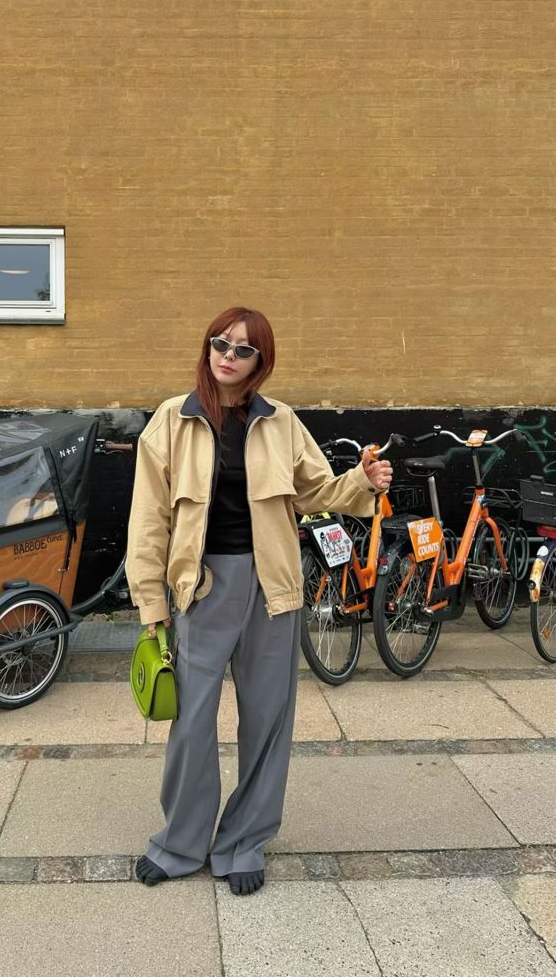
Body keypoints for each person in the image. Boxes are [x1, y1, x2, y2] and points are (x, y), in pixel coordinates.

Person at [125, 307, 392, 896]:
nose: (228, 355)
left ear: (260, 362)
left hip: (273, 587)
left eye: (243, 349)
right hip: (202, 589)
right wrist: (151, 607)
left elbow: (316, 491)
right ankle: (180, 842)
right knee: (191, 722)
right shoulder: (171, 420)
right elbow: (147, 520)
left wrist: (361, 481)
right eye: (220, 343)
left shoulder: (281, 422)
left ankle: (244, 841)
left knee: (268, 718)